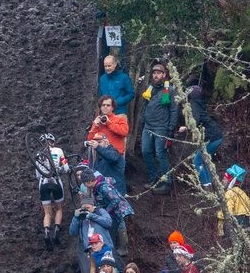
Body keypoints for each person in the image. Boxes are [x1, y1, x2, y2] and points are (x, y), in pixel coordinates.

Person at [139, 62, 180, 192]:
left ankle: (166, 183)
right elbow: (145, 106)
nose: (156, 75)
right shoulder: (150, 88)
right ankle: (154, 178)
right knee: (145, 151)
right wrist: (142, 121)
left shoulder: (169, 90)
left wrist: (171, 128)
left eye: (158, 73)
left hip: (161, 127)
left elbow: (174, 110)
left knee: (160, 153)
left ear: (164, 75)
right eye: (154, 73)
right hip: (148, 126)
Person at [78, 168, 133, 255]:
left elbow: (115, 200)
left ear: (88, 182)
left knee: (119, 226)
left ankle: (123, 249)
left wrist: (106, 212)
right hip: (112, 210)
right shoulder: (96, 186)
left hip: (118, 210)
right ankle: (117, 247)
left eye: (85, 184)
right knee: (117, 226)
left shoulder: (103, 187)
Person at [180, 84, 225, 186]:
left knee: (197, 161)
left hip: (213, 138)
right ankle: (209, 184)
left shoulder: (194, 104)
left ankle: (207, 186)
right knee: (202, 160)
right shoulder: (199, 103)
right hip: (216, 136)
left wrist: (185, 127)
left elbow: (195, 120)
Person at [32, 133, 70, 250]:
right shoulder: (58, 150)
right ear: (53, 142)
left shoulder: (38, 155)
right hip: (56, 182)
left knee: (47, 212)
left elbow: (38, 175)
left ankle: (47, 232)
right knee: (58, 208)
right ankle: (57, 231)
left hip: (43, 183)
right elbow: (66, 168)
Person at [86, 98, 130, 194]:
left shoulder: (120, 119)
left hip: (116, 158)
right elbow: (90, 140)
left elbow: (124, 132)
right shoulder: (99, 121)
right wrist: (95, 125)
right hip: (101, 157)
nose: (105, 107)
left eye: (108, 105)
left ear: (113, 107)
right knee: (102, 188)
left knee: (117, 188)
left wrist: (109, 123)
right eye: (103, 105)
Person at [216, 164, 250, 240]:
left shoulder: (229, 193)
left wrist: (219, 215)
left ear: (232, 180)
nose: (223, 181)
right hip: (246, 225)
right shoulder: (244, 194)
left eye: (225, 179)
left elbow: (227, 213)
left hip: (233, 227)